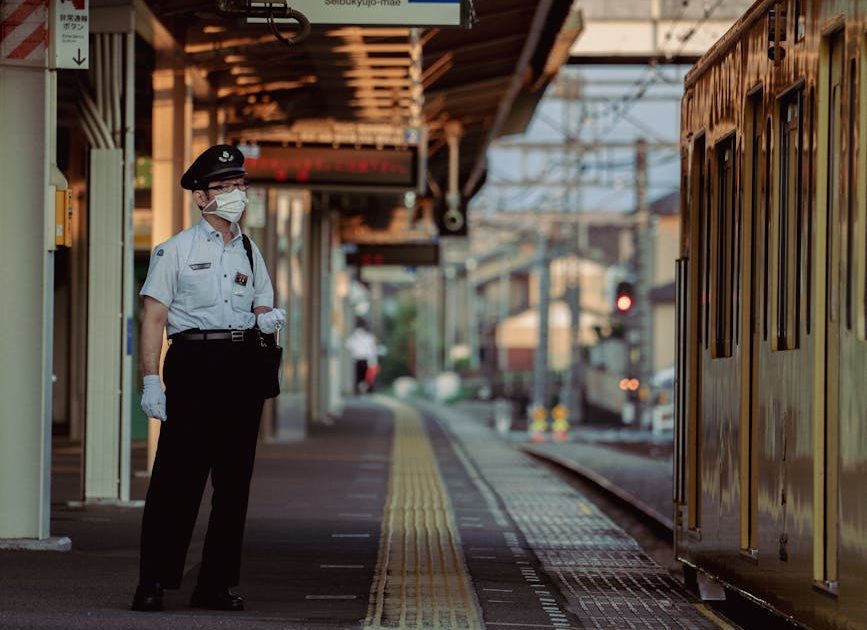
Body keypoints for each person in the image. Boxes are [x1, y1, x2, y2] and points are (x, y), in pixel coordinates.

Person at [131, 144, 286, 613]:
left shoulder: (253, 254)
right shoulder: (175, 250)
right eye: (225, 187)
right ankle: (153, 581)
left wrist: (266, 318)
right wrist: (150, 380)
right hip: (194, 364)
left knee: (233, 483)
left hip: (240, 366)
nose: (237, 194)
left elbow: (261, 304)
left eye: (241, 185)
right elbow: (154, 319)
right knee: (177, 478)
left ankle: (215, 585)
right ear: (202, 198)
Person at [345, 317, 378, 395]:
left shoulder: (355, 337)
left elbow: (347, 345)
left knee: (359, 377)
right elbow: (372, 350)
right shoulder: (368, 337)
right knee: (365, 377)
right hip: (364, 359)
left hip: (358, 359)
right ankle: (363, 390)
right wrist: (373, 361)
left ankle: (359, 390)